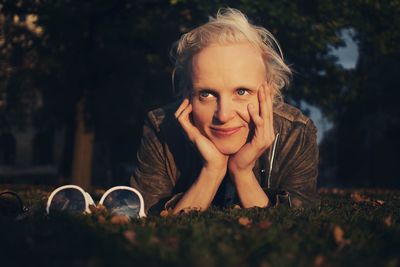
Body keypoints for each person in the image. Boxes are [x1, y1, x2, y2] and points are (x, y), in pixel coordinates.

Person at [130, 8, 320, 215]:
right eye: (207, 94)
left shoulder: (296, 133)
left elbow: (297, 225)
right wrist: (211, 171)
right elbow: (147, 221)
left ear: (270, 91)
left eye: (241, 91)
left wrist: (242, 173)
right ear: (188, 95)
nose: (223, 115)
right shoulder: (161, 129)